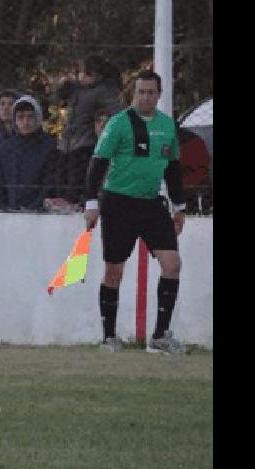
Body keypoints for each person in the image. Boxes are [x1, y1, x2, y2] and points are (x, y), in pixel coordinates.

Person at [83, 70, 186, 355]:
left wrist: (179, 207)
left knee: (172, 264)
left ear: (159, 94)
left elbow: (174, 170)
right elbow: (97, 164)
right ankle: (109, 337)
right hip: (118, 203)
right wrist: (92, 204)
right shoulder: (118, 124)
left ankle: (160, 336)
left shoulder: (167, 126)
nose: (145, 97)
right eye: (140, 92)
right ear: (133, 94)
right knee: (114, 270)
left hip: (152, 204)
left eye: (150, 92)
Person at [56, 55, 124, 209]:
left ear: (96, 75)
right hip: (68, 141)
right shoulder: (78, 90)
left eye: (84, 73)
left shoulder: (102, 91)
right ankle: (64, 198)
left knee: (78, 172)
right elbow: (61, 95)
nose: (80, 76)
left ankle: (75, 200)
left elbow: (116, 110)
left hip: (84, 140)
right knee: (63, 171)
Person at [0, 95, 59, 211]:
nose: (25, 122)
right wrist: (4, 208)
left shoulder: (50, 147)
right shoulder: (6, 148)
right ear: (15, 120)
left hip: (40, 214)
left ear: (38, 118)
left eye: (30, 117)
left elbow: (50, 183)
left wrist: (35, 207)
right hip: (10, 214)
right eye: (21, 117)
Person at [44, 107, 112, 213]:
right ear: (94, 126)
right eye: (99, 122)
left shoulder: (124, 155)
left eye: (107, 122)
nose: (102, 126)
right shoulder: (81, 156)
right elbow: (73, 188)